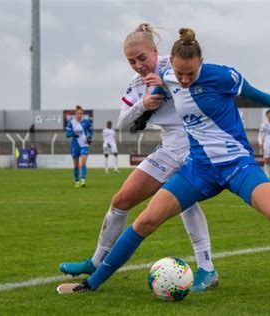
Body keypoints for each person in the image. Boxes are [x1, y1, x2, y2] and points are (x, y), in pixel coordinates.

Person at [57, 28, 270, 302]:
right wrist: (143, 110)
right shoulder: (166, 78)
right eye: (180, 74)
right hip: (198, 169)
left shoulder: (223, 75)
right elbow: (143, 111)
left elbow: (255, 93)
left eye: (191, 73)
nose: (185, 79)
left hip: (237, 165)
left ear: (200, 63)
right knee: (145, 221)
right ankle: (92, 284)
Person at [59, 24, 218, 292]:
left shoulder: (174, 65)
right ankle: (96, 261)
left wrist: (169, 84)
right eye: (131, 61)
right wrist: (143, 104)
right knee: (121, 200)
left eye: (142, 58)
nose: (138, 65)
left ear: (155, 52)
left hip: (196, 146)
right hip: (169, 148)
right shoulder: (135, 85)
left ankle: (207, 268)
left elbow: (201, 83)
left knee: (186, 203)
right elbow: (122, 122)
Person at [65, 105, 93, 188]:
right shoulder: (71, 123)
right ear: (75, 114)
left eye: (81, 113)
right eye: (78, 113)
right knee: (76, 165)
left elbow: (91, 132)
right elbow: (67, 134)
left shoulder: (86, 122)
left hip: (84, 144)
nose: (79, 115)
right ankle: (77, 181)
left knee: (83, 162)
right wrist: (74, 134)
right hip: (75, 145)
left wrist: (90, 137)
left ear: (83, 114)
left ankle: (83, 180)